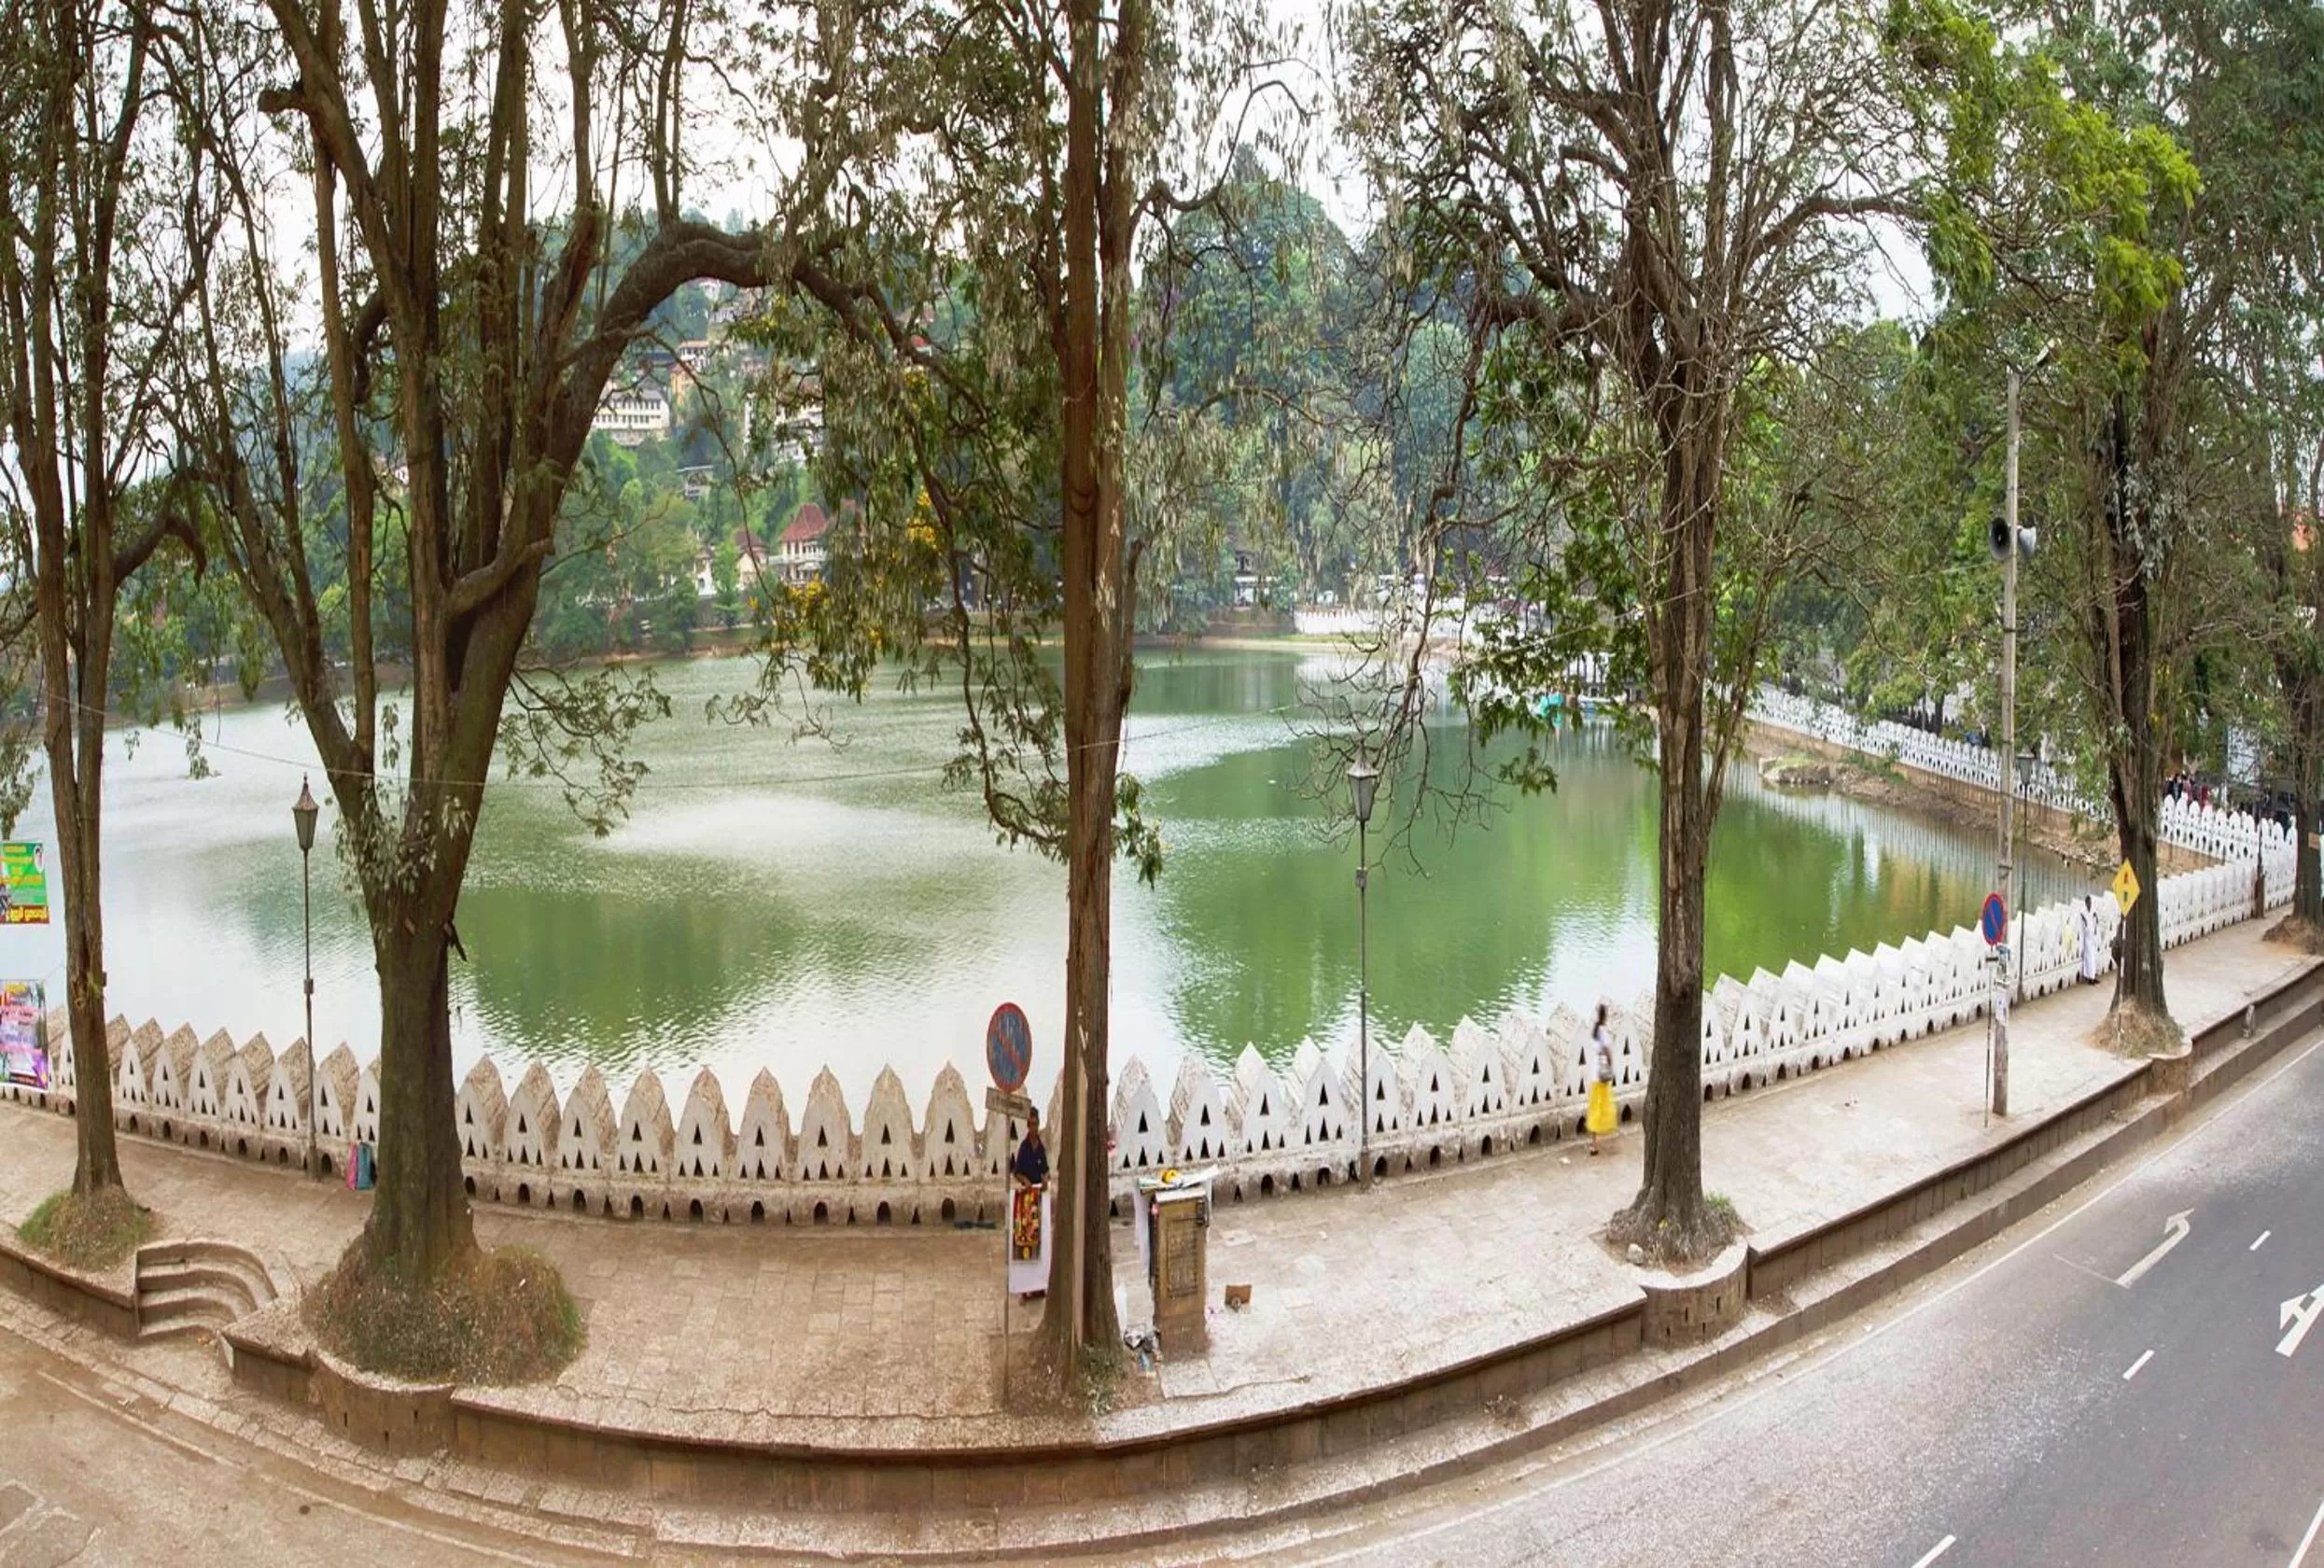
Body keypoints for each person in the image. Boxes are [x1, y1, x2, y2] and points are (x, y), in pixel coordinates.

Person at [1009, 1108, 1050, 1302]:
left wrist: (1045, 1180)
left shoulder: (1040, 1147)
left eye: (1036, 1124)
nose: (1034, 1128)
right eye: (1031, 1124)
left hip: (1039, 1198)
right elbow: (1016, 1172)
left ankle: (1039, 1285)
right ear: (1027, 1125)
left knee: (1039, 1242)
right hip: (1026, 1200)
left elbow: (1046, 1170)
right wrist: (1025, 1180)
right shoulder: (1024, 1147)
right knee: (1024, 1240)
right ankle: (1025, 1285)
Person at [1586, 1004, 1617, 1154]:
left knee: (1596, 1108)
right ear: (1605, 1016)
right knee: (1600, 1109)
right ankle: (1594, 1145)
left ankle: (1594, 1142)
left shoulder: (1594, 1031)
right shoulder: (1603, 1032)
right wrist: (1611, 1066)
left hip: (1594, 1075)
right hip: (1601, 1076)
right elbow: (1606, 1050)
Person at [2077, 895, 2103, 986]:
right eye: (2088, 902)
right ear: (2085, 903)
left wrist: (2096, 918)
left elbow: (2096, 923)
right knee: (2089, 958)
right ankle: (2090, 978)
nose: (2090, 904)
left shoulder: (2092, 911)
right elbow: (2083, 928)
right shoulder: (2083, 913)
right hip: (2087, 939)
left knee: (2094, 958)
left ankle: (2093, 977)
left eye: (2090, 902)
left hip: (2093, 938)